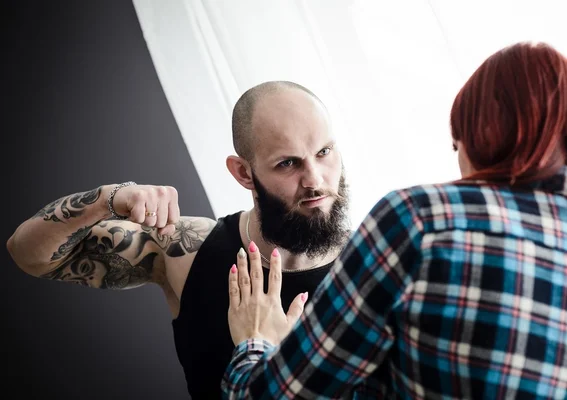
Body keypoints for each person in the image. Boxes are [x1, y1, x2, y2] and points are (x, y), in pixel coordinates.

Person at [222, 42, 567, 399]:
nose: (315, 180)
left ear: (482, 138)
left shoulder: (421, 220)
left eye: (457, 144)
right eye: (288, 162)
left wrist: (256, 343)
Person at [6, 81, 351, 399]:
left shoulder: (373, 269)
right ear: (243, 173)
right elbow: (29, 255)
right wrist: (106, 200)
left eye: (324, 152)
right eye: (288, 163)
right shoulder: (187, 249)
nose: (315, 181)